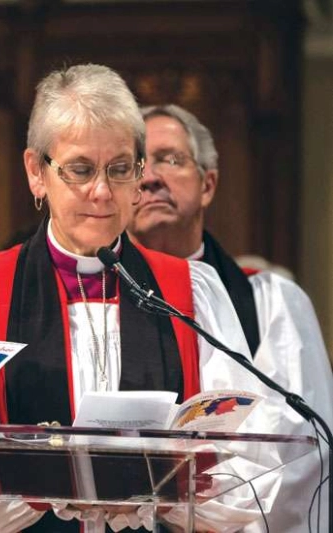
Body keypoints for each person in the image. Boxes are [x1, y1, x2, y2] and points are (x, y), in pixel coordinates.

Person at [0, 64, 284, 532]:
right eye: (80, 169)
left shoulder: (190, 291)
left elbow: (249, 467)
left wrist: (158, 495)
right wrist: (59, 486)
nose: (101, 192)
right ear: (37, 172)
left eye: (120, 169)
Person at [127, 103, 333, 533]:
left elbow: (302, 451)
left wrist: (198, 515)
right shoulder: (93, 305)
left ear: (208, 184)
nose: (149, 177)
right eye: (135, 165)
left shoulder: (272, 302)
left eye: (170, 158)